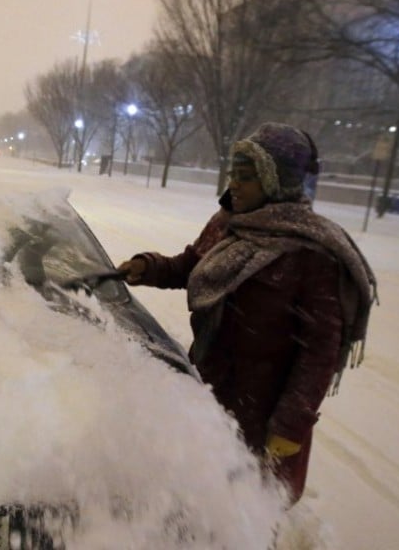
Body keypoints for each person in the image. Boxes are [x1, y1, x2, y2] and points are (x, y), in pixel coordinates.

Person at [118, 122, 376, 503]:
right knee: (194, 499)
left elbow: (319, 352)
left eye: (247, 177)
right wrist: (149, 267)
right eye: (233, 175)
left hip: (263, 417)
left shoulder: (314, 253)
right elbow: (192, 266)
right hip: (209, 388)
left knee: (243, 515)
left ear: (279, 183)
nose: (234, 185)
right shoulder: (228, 225)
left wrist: (289, 427)